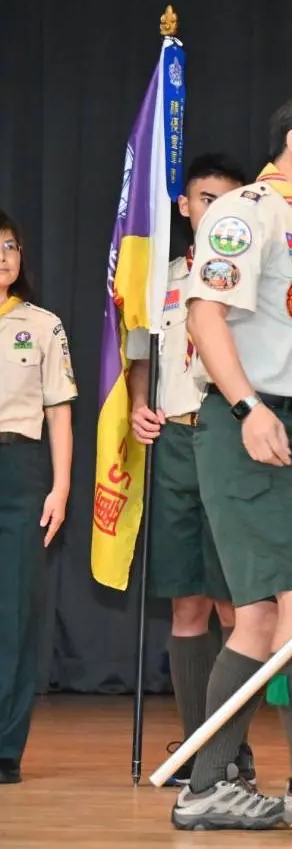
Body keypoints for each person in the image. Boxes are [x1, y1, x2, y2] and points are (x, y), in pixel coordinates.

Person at [172, 92, 292, 831]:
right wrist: (248, 406)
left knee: (258, 616)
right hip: (254, 422)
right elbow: (204, 312)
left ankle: (211, 783)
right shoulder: (247, 211)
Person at [126, 154, 251, 786]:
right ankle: (198, 742)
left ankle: (234, 745)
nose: (213, 212)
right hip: (174, 442)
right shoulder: (160, 282)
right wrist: (136, 408)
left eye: (228, 201)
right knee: (187, 605)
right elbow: (141, 360)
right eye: (205, 199)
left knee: (238, 605)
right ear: (184, 205)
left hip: (228, 443)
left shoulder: (246, 278)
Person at [0, 210, 73, 785]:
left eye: (11, 246)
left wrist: (62, 485)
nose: (4, 256)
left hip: (21, 468)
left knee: (15, 612)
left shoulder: (43, 325)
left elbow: (59, 413)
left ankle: (5, 746)